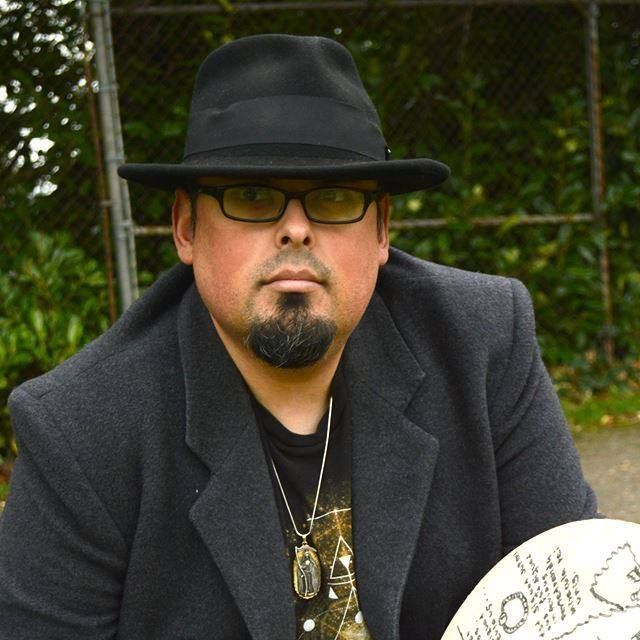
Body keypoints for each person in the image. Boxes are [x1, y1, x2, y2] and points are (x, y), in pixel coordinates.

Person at [0, 34, 597, 640]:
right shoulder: (82, 429)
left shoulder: (483, 344)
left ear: (383, 230)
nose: (295, 229)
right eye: (253, 196)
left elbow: (582, 602)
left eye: (333, 198)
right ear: (186, 228)